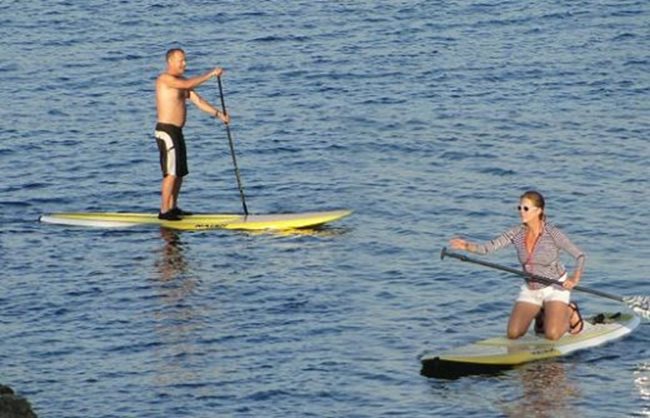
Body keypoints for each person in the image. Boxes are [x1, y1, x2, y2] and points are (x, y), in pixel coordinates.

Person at [449, 190, 586, 340]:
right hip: (531, 289)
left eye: (526, 208)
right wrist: (467, 246)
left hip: (555, 287)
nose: (521, 212)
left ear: (539, 211)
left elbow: (579, 256)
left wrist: (574, 278)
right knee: (513, 334)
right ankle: (542, 313)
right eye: (519, 208)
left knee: (552, 335)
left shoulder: (552, 233)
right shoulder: (516, 233)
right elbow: (488, 247)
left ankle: (569, 312)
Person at [155, 48, 230, 220]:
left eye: (185, 60)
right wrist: (211, 74)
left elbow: (198, 101)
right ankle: (164, 210)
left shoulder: (181, 82)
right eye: (181, 61)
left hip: (177, 131)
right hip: (166, 131)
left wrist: (219, 115)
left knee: (180, 172)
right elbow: (188, 85)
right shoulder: (165, 79)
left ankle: (173, 207)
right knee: (171, 172)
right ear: (171, 62)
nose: (185, 64)